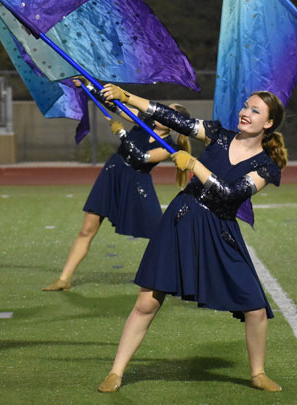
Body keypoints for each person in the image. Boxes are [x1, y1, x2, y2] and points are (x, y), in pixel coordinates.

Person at [96, 84, 287, 393]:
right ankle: (116, 372)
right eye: (245, 106)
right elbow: (173, 119)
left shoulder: (266, 166)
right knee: (147, 301)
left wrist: (195, 165)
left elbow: (229, 193)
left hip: (220, 228)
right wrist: (127, 97)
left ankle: (257, 373)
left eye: (254, 110)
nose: (245, 112)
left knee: (254, 307)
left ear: (268, 123)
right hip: (182, 217)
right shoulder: (218, 134)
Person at [42, 80, 192, 292]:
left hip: (137, 181)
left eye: (169, 114)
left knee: (160, 233)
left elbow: (140, 157)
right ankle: (64, 279)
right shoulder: (144, 120)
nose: (163, 113)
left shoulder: (169, 147)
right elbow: (115, 105)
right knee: (87, 229)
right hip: (113, 172)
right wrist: (87, 86)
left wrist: (120, 133)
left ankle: (179, 276)